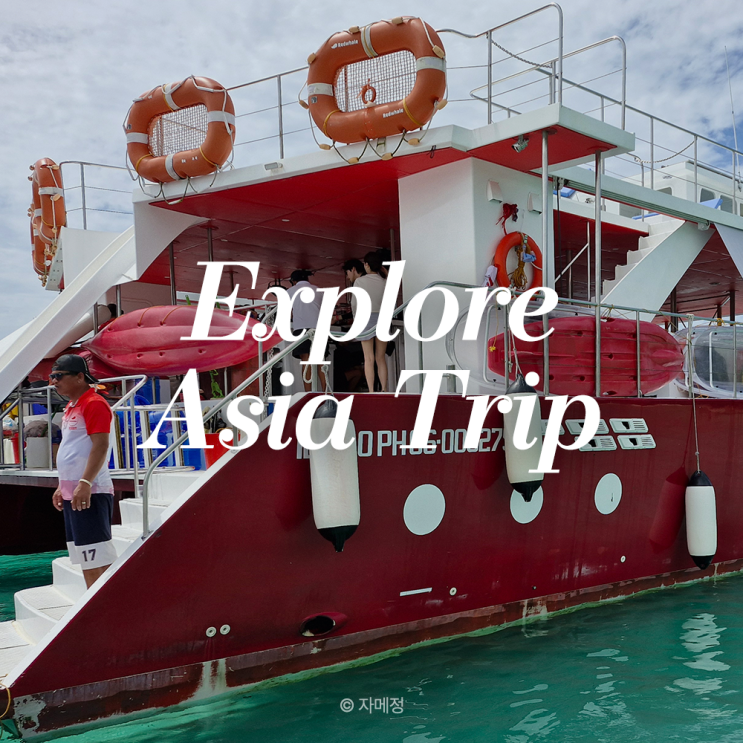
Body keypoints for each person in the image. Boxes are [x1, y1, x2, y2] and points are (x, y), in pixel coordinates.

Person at [50, 354, 116, 589]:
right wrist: (62, 486)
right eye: (52, 376)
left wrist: (85, 482)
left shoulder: (94, 403)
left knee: (97, 559)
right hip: (74, 492)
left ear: (79, 377)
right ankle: (98, 604)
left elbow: (100, 446)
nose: (54, 382)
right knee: (86, 558)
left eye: (59, 376)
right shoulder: (71, 406)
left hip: (92, 492)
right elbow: (73, 448)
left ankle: (109, 605)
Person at [351, 251, 388, 392]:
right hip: (382, 318)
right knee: (380, 358)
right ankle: (384, 389)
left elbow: (354, 303)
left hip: (364, 318)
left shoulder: (359, 281)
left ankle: (371, 390)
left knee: (368, 358)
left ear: (366, 265)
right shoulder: (384, 281)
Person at [286, 269, 326, 391]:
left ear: (293, 281)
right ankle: (326, 392)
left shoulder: (290, 291)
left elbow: (288, 313)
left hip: (301, 328)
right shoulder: (319, 290)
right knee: (320, 361)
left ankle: (308, 393)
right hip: (318, 328)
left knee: (306, 360)